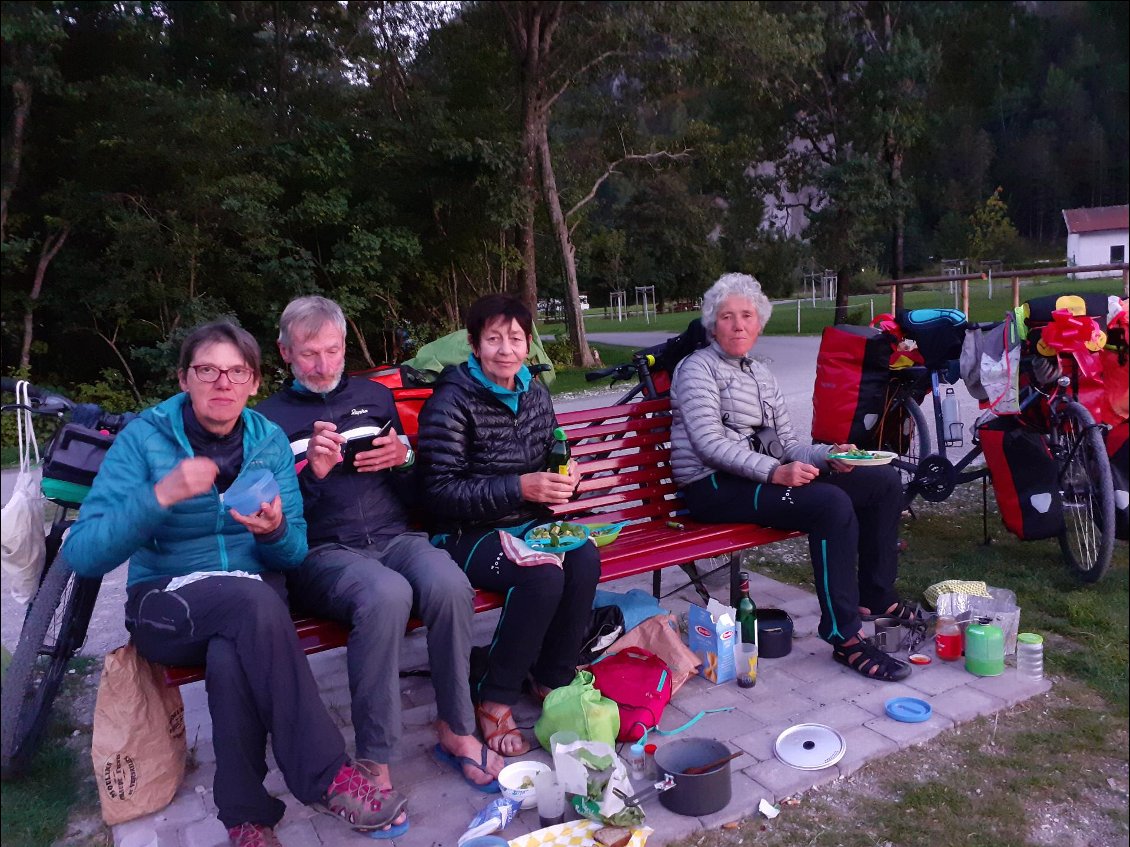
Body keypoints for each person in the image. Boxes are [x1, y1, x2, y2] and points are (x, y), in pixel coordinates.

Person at [62, 321, 403, 847]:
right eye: (207, 370)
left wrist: (276, 530)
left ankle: (246, 819)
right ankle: (325, 774)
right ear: (184, 379)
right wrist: (159, 496)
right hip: (166, 603)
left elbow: (291, 553)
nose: (222, 382)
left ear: (253, 382)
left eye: (236, 371)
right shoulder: (144, 440)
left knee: (233, 646)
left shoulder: (266, 440)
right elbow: (83, 554)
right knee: (252, 600)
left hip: (249, 610)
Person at [255, 296, 503, 800]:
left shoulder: (374, 396)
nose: (323, 365)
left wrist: (405, 458)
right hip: (322, 552)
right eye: (308, 354)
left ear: (345, 344)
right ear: (284, 353)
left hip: (394, 536)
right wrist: (312, 475)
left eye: (332, 349)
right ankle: (375, 754)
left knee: (451, 584)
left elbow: (414, 494)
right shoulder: (267, 422)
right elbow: (268, 520)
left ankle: (456, 728)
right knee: (386, 596)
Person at [670, 273, 914, 682]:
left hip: (760, 477)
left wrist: (828, 454)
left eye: (746, 315)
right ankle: (845, 635)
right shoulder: (697, 370)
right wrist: (775, 472)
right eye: (727, 317)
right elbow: (709, 444)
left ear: (759, 323)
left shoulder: (761, 373)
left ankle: (877, 595)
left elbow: (786, 443)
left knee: (882, 482)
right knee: (829, 505)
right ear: (713, 325)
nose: (738, 325)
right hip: (711, 485)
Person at [416, 293, 602, 756]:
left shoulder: (534, 392)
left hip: (527, 522)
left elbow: (554, 455)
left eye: (515, 338)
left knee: (583, 558)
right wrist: (521, 488)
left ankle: (551, 676)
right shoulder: (451, 401)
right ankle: (495, 697)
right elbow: (438, 491)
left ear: (527, 346)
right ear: (475, 345)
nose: (505, 349)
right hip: (464, 532)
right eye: (493, 338)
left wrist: (567, 479)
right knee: (540, 577)